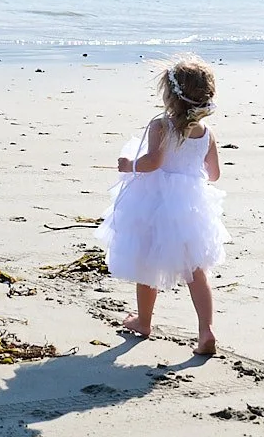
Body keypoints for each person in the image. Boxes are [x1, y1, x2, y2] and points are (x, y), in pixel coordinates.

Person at [96, 56, 226, 356]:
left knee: (147, 263)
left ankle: (143, 321)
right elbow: (215, 173)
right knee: (196, 271)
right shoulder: (206, 134)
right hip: (191, 206)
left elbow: (154, 162)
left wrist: (130, 165)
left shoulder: (161, 126)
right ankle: (206, 329)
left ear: (170, 97)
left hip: (155, 204)